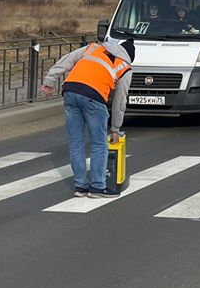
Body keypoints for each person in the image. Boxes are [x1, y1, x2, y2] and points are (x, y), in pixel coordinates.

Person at [41, 36, 134, 197]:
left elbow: (67, 60)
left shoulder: (93, 48)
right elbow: (120, 101)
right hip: (93, 97)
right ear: (129, 56)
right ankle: (98, 186)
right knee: (99, 143)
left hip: (70, 91)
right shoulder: (125, 66)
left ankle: (80, 187)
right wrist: (115, 129)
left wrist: (50, 80)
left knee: (76, 143)